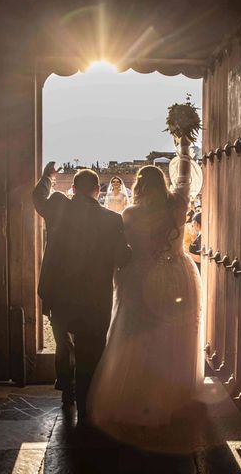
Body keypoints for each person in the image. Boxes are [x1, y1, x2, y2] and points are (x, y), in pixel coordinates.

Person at [88, 138, 203, 443]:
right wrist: (183, 148)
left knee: (136, 337)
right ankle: (170, 402)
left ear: (139, 185)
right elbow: (185, 180)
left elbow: (125, 252)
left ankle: (134, 401)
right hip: (177, 275)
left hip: (140, 279)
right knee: (172, 338)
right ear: (162, 182)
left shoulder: (129, 214)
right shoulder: (177, 206)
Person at [33, 164, 131, 422]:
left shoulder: (57, 207)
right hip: (95, 297)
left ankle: (67, 393)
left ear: (73, 190)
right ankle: (86, 404)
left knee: (64, 343)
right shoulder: (112, 220)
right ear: (98, 191)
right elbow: (122, 259)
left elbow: (38, 198)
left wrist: (47, 178)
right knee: (92, 347)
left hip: (60, 293)